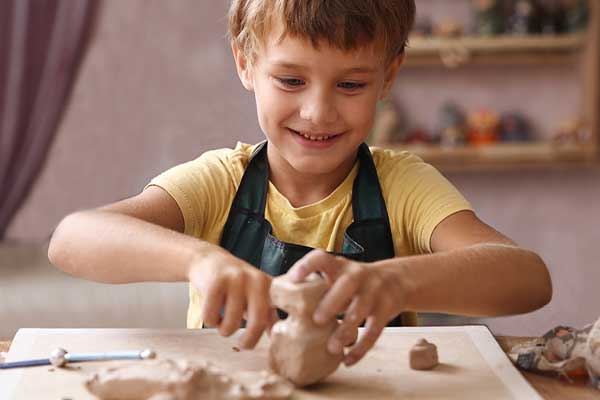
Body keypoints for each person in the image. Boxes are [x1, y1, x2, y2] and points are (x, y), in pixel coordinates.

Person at [48, 0, 552, 368]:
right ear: (246, 64)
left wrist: (396, 282)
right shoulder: (221, 182)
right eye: (291, 80)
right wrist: (199, 260)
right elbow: (73, 239)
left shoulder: (403, 186)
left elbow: (527, 279)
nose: (318, 112)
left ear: (389, 75)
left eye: (351, 84)